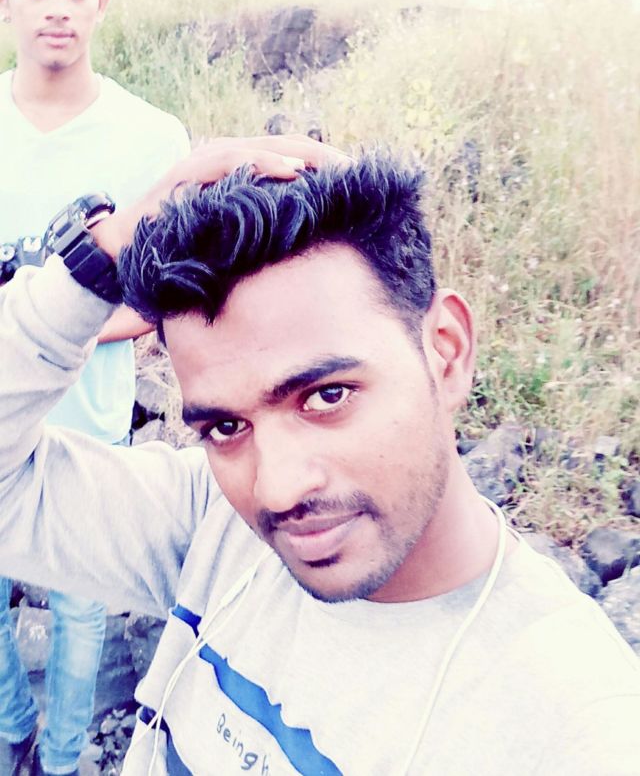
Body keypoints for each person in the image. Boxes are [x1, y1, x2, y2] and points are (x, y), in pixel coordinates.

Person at [0, 135, 639, 776]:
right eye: (226, 427)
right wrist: (97, 259)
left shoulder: (574, 728)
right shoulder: (210, 526)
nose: (277, 490)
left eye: (327, 396)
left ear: (446, 352)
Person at [0, 0, 190, 773]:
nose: (58, 8)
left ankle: (64, 754)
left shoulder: (151, 137)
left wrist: (61, 321)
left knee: (82, 607)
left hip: (90, 420)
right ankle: (13, 727)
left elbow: (161, 293)